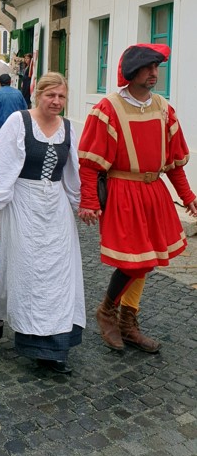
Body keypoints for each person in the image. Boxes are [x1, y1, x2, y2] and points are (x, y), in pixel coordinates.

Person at [78, 43, 197, 354]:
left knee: (147, 261)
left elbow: (174, 162)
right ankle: (107, 310)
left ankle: (128, 321)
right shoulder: (108, 110)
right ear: (132, 71)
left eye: (157, 67)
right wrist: (89, 200)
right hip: (123, 193)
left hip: (153, 192)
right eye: (148, 68)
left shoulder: (163, 108)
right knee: (135, 261)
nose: (155, 73)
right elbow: (90, 164)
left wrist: (187, 196)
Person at [0, 72, 85, 374]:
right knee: (25, 272)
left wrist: (82, 204)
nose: (56, 101)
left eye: (61, 96)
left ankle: (53, 347)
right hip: (23, 205)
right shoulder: (19, 122)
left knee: (59, 275)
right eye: (51, 95)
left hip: (56, 210)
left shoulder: (69, 129)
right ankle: (1, 315)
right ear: (38, 95)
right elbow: (1, 169)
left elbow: (73, 173)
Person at [0, 73, 27, 142]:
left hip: (0, 126)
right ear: (10, 81)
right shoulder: (18, 93)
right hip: (15, 126)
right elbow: (25, 109)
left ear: (0, 82)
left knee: (0, 147)